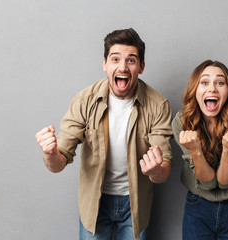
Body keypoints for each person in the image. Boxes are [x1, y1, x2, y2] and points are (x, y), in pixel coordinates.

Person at [35, 28, 173, 240]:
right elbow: (57, 164)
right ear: (105, 64)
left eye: (131, 60)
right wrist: (50, 153)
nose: (122, 67)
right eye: (115, 59)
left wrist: (155, 170)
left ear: (141, 67)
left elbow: (163, 172)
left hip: (135, 203)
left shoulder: (158, 105)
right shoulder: (84, 101)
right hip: (95, 201)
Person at [172, 60, 228, 240]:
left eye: (220, 83)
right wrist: (195, 151)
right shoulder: (181, 122)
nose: (212, 89)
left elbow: (224, 182)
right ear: (195, 90)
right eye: (205, 82)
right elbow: (208, 183)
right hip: (198, 205)